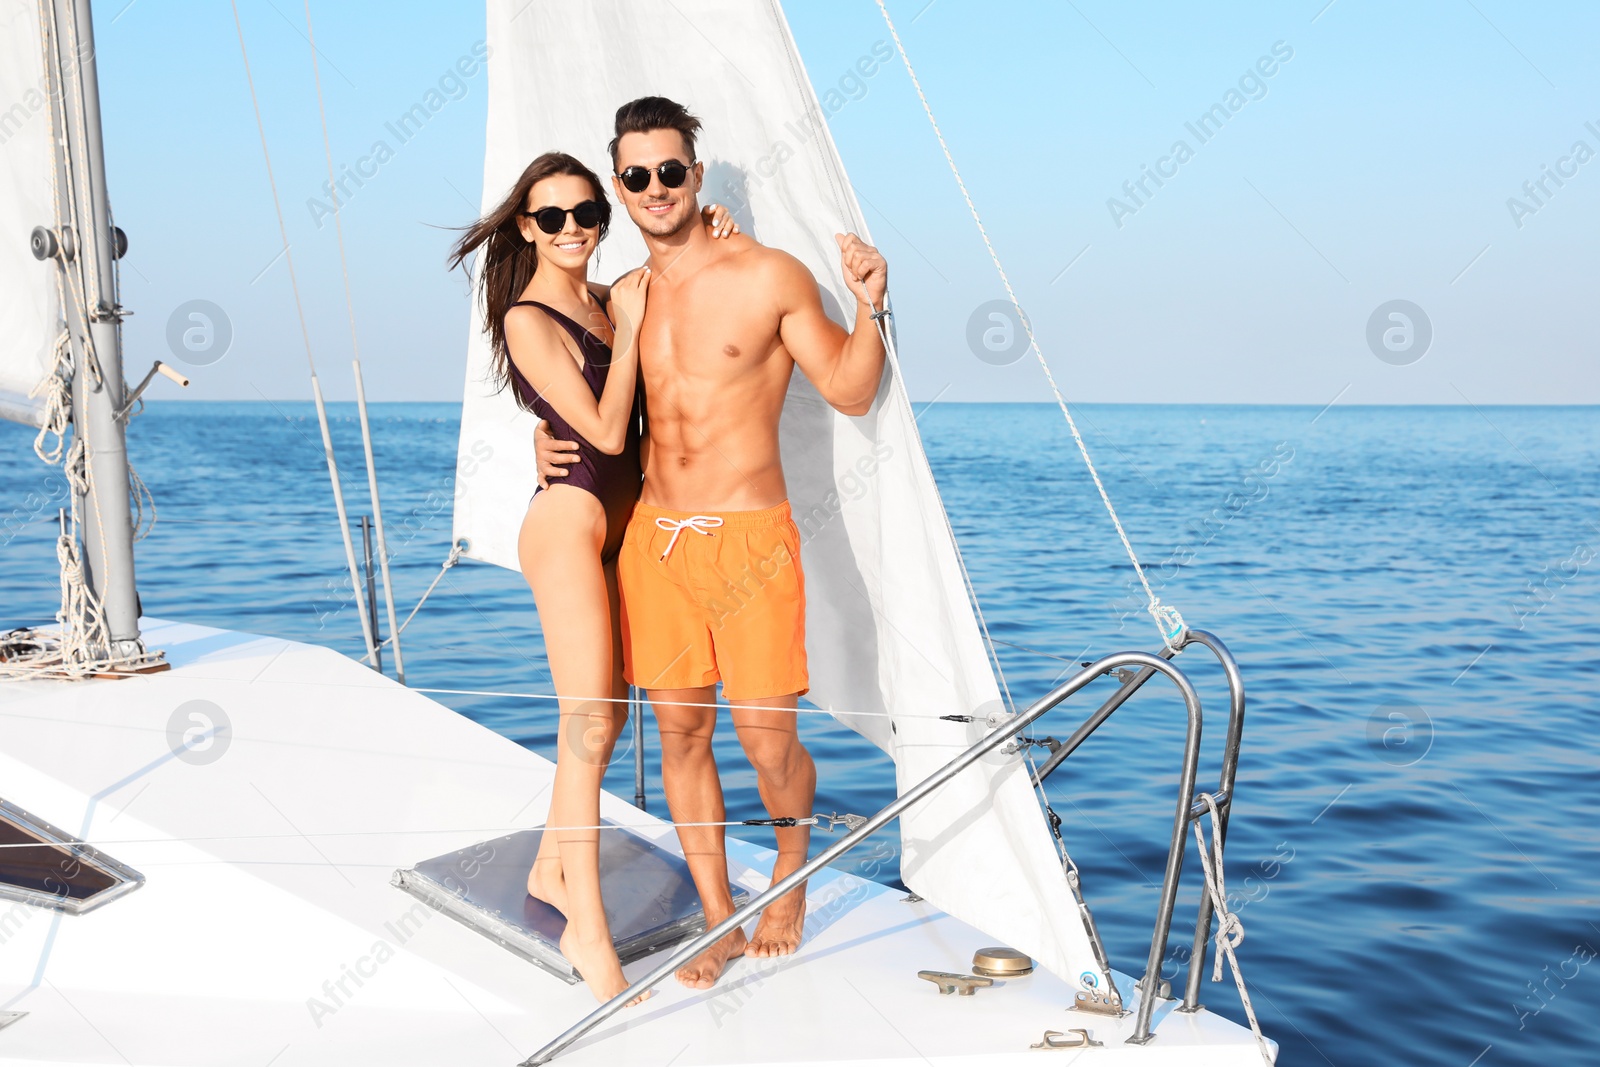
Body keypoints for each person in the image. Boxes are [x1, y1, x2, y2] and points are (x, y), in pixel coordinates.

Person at [537, 96, 888, 990]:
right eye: (636, 175)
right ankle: (717, 913)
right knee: (683, 735)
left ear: (695, 174)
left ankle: (789, 873)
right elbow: (576, 392)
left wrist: (870, 305)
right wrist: (542, 446)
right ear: (619, 188)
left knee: (768, 742)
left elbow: (848, 390)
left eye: (670, 170)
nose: (655, 187)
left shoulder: (769, 274)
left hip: (750, 540)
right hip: (656, 543)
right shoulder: (621, 297)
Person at [449, 151, 737, 1005]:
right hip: (569, 524)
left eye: (585, 215)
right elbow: (610, 434)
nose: (572, 229)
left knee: (607, 720)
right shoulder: (528, 318)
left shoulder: (610, 300)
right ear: (524, 227)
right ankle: (588, 928)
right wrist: (635, 311)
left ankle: (549, 869)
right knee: (592, 721)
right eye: (551, 218)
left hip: (623, 528)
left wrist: (714, 232)